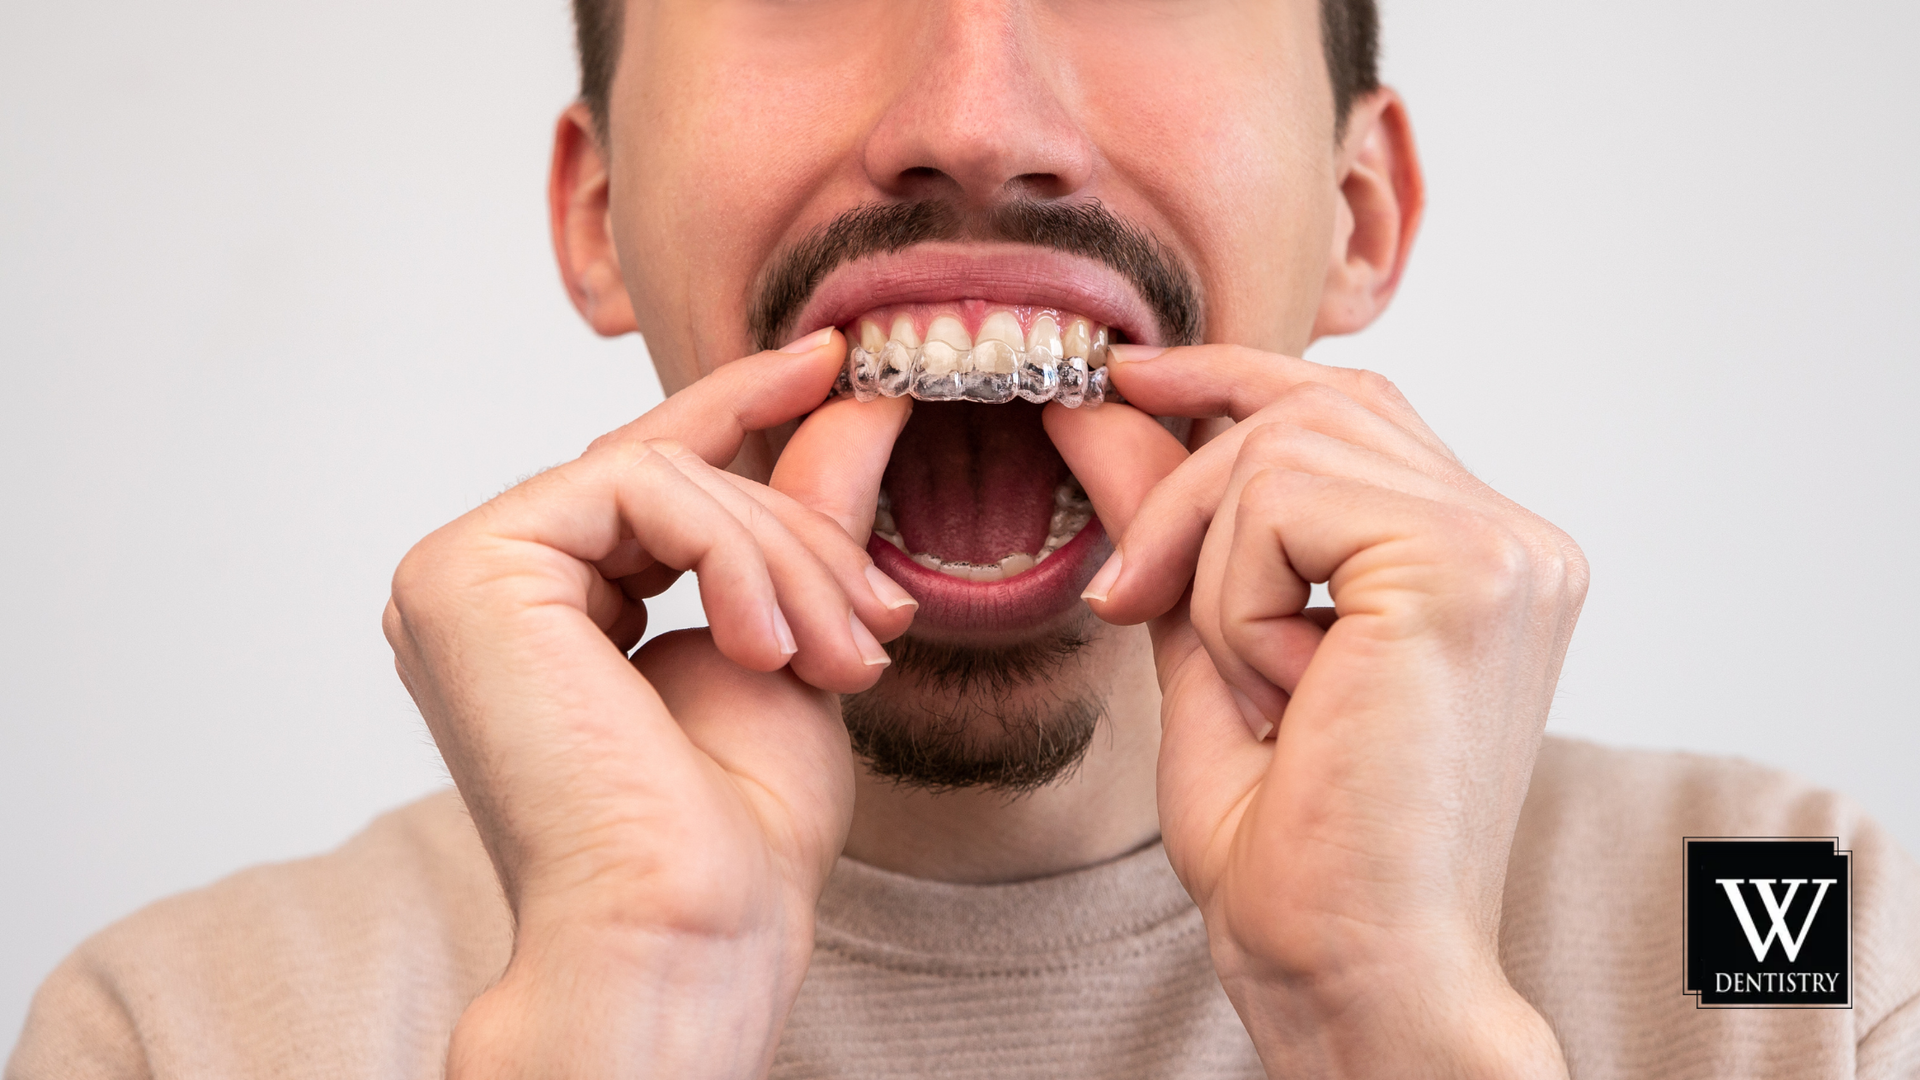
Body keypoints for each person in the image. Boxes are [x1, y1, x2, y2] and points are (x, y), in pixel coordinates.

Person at [11, 0, 1920, 1076]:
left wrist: (1390, 1019)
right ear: (596, 210)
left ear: (1360, 213)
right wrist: (631, 1007)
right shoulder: (182, 1031)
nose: (977, 120)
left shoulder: (1795, 936)